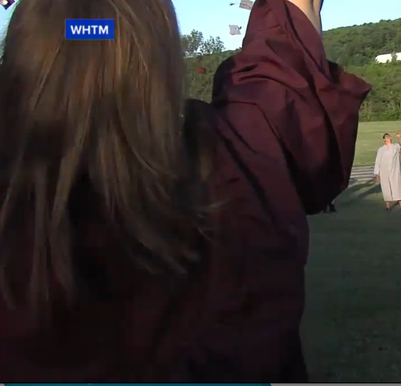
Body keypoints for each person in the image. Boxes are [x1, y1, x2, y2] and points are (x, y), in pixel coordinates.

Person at [0, 0, 370, 381]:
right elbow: (284, 59)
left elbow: (84, 33)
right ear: (158, 51)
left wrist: (73, 29)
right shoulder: (236, 164)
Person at [374, 132, 401, 211]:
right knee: (386, 188)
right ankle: (388, 206)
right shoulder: (381, 150)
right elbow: (378, 161)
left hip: (394, 171)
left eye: (389, 137)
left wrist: (399, 137)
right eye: (386, 137)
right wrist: (377, 174)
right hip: (384, 172)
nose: (388, 138)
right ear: (384, 139)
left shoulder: (395, 147)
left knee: (397, 188)